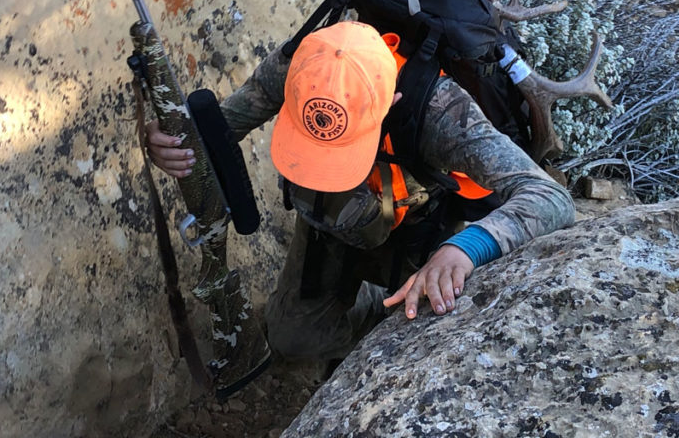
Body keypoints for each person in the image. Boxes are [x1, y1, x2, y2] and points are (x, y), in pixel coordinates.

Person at [148, 20, 574, 361]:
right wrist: (167, 144)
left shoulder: (444, 113)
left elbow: (549, 196)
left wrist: (464, 249)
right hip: (329, 219)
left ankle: (380, 308)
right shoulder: (305, 66)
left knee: (416, 346)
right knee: (291, 339)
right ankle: (366, 301)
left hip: (418, 234)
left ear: (392, 101)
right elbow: (216, 132)